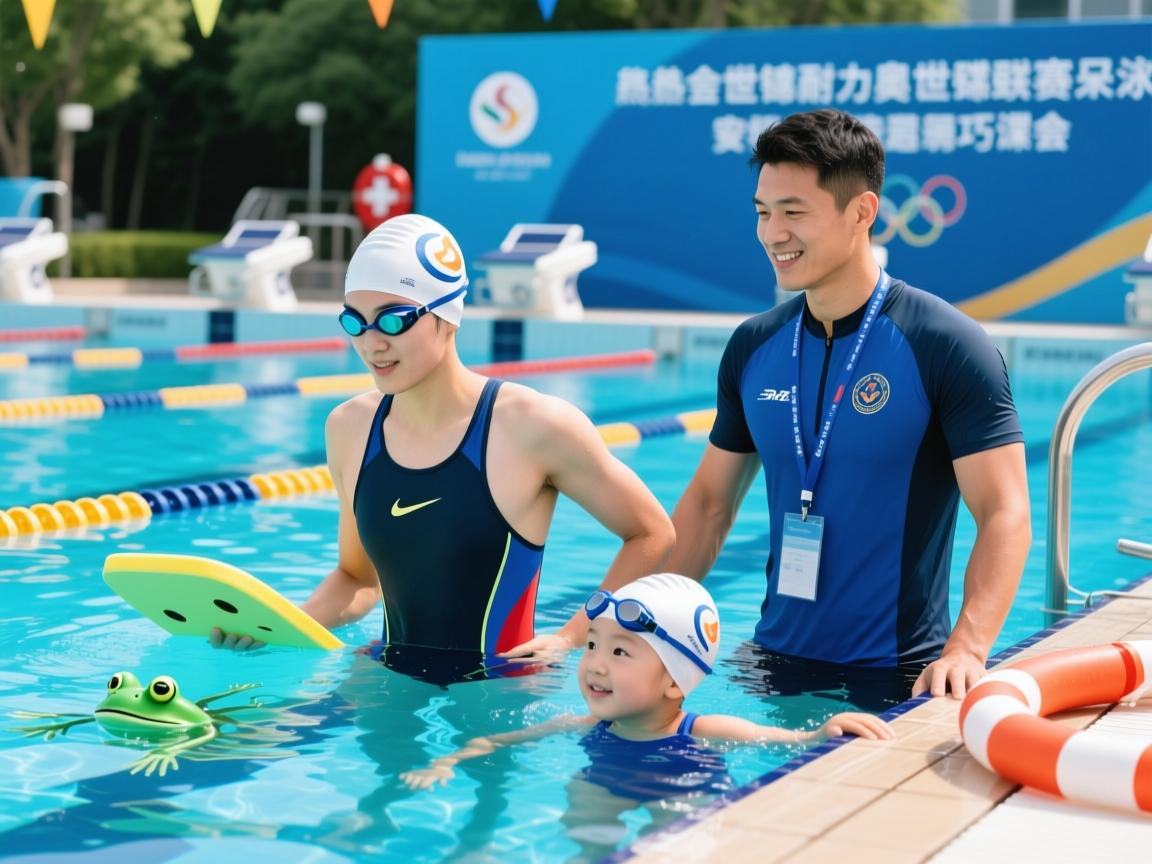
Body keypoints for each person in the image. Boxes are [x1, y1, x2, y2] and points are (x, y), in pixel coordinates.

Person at [212, 213, 675, 681]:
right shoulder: (350, 428)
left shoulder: (531, 425)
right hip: (390, 678)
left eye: (392, 320)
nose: (372, 344)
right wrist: (279, 628)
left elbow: (651, 533)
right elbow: (357, 579)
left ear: (446, 317)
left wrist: (573, 637)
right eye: (355, 321)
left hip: (496, 690)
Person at [665, 108, 1031, 701]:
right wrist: (634, 620)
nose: (771, 233)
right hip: (769, 664)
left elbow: (1005, 511)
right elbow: (708, 505)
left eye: (793, 212)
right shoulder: (755, 345)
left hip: (896, 675)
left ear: (861, 212)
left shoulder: (944, 345)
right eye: (762, 212)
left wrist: (966, 648)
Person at [399, 573, 892, 795]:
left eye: (619, 652)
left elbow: (786, 741)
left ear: (675, 683)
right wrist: (447, 761)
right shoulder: (582, 722)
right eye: (592, 645)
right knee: (582, 804)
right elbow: (495, 739)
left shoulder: (704, 728)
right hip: (607, 782)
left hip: (686, 788)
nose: (594, 664)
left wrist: (822, 732)